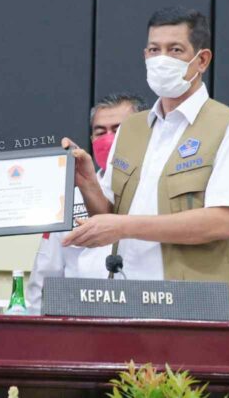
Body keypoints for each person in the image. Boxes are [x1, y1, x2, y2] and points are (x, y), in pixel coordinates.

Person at [62, 6, 229, 310]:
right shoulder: (131, 128)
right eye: (154, 50)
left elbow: (222, 223)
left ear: (202, 60)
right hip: (127, 299)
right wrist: (87, 181)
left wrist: (124, 226)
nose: (161, 59)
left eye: (175, 50)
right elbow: (110, 213)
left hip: (196, 303)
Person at [26, 93, 147, 312]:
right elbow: (45, 276)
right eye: (100, 132)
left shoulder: (157, 194)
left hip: (144, 314)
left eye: (118, 130)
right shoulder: (69, 198)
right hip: (82, 317)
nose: (109, 139)